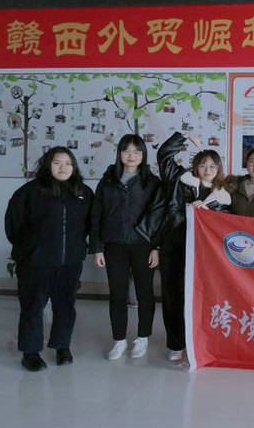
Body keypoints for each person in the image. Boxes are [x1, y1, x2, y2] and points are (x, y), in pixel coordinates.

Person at [137, 131, 230, 364]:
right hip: (174, 247)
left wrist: (208, 213)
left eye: (212, 166)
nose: (207, 170)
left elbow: (227, 226)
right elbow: (164, 155)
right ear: (195, 166)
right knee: (173, 297)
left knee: (203, 298)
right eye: (203, 165)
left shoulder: (223, 197)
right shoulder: (179, 180)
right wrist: (183, 136)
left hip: (206, 255)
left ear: (219, 169)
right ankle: (176, 344)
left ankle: (198, 343)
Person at [5, 147, 93, 371]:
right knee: (33, 307)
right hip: (36, 263)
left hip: (69, 262)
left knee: (65, 306)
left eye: (68, 163)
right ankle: (31, 352)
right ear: (47, 165)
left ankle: (62, 346)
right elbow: (13, 225)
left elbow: (89, 225)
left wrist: (75, 247)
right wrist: (29, 249)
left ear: (74, 167)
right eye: (57, 163)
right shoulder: (29, 192)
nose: (63, 167)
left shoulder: (83, 193)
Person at [90, 134, 160, 361]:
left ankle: (143, 337)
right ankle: (119, 340)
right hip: (114, 245)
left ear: (143, 155)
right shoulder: (108, 180)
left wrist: (156, 247)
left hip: (143, 245)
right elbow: (96, 214)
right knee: (117, 294)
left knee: (145, 293)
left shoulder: (152, 182)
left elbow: (159, 216)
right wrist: (97, 247)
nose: (132, 156)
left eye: (137, 151)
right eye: (127, 150)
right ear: (119, 153)